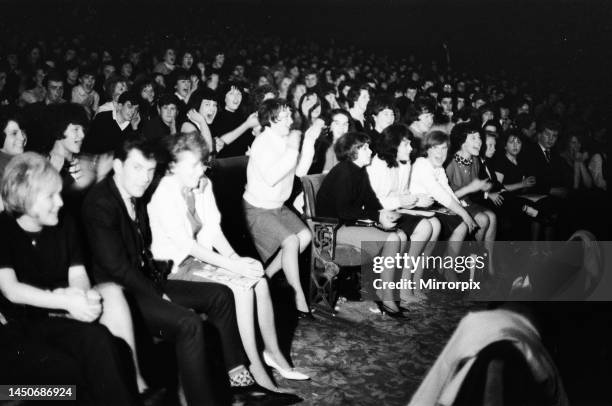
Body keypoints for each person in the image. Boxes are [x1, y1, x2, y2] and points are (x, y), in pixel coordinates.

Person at [82, 135, 273, 405]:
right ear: (117, 166)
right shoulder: (101, 203)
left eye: (149, 170)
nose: (144, 177)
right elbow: (118, 268)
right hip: (122, 295)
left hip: (148, 281)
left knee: (221, 296)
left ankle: (237, 379)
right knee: (189, 324)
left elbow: (142, 253)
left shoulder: (133, 193)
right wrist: (159, 294)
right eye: (137, 168)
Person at [147, 132, 307, 399]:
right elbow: (187, 245)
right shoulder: (164, 192)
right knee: (242, 287)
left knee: (258, 278)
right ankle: (253, 374)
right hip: (173, 270)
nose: (200, 170)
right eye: (193, 165)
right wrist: (234, 268)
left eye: (202, 164)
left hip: (198, 261)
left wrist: (236, 260)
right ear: (174, 165)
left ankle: (274, 355)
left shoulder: (203, 184)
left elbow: (213, 231)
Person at [0, 153, 139, 404]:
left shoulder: (65, 223)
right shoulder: (3, 229)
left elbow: (78, 276)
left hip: (55, 320)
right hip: (15, 330)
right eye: (51, 196)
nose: (60, 202)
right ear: (26, 198)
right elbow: (11, 290)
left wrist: (81, 297)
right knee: (65, 373)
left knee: (103, 342)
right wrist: (64, 301)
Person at [243, 98, 320, 317]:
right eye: (284, 116)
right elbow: (272, 178)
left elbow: (300, 172)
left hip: (277, 206)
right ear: (271, 120)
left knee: (305, 236)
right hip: (257, 208)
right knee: (291, 241)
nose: (290, 120)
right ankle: (298, 300)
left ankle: (266, 275)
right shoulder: (263, 142)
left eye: (289, 115)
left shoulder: (284, 138)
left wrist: (309, 142)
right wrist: (293, 148)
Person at [316, 131, 407, 316]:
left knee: (402, 236)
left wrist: (384, 214)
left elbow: (371, 200)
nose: (370, 150)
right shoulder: (344, 172)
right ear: (353, 151)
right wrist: (377, 217)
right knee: (392, 239)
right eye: (365, 148)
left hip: (346, 225)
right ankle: (386, 297)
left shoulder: (358, 171)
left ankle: (386, 290)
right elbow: (344, 211)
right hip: (330, 231)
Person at [367, 124, 441, 304]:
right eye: (406, 144)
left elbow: (404, 193)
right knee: (424, 227)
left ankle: (414, 281)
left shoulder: (405, 162)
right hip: (377, 214)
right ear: (393, 145)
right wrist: (409, 201)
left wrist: (417, 200)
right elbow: (374, 201)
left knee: (435, 224)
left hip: (395, 210)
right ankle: (403, 285)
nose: (411, 148)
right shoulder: (378, 164)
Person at [409, 131, 478, 282]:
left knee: (461, 225)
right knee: (454, 222)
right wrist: (465, 214)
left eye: (444, 148)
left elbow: (448, 192)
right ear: (427, 149)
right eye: (435, 148)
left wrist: (463, 212)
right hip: (413, 209)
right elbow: (438, 193)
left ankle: (448, 268)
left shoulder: (438, 168)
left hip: (427, 209)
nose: (440, 153)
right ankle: (416, 280)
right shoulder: (422, 164)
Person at [446, 124, 497, 274]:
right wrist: (473, 188)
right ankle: (473, 265)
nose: (479, 141)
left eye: (479, 137)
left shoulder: (474, 160)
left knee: (492, 217)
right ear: (462, 141)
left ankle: (487, 263)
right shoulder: (450, 163)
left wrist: (481, 187)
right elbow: (445, 197)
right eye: (473, 138)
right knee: (482, 219)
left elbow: (472, 188)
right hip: (450, 205)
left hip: (465, 202)